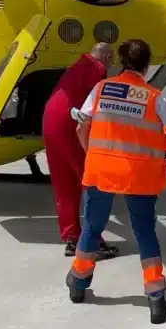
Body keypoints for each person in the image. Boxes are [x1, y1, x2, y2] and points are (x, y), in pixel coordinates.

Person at [64, 39, 166, 324]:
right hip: (139, 175)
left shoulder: (102, 89)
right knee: (145, 232)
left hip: (101, 170)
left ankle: (78, 281)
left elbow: (81, 126)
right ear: (147, 66)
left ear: (121, 62)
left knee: (93, 227)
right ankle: (156, 296)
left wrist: (93, 154)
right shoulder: (153, 97)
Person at [42, 42, 119, 259]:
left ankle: (72, 238)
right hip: (71, 125)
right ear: (107, 57)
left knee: (65, 185)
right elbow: (100, 105)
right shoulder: (96, 69)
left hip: (50, 123)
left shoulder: (76, 67)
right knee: (93, 183)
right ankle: (92, 242)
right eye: (112, 61)